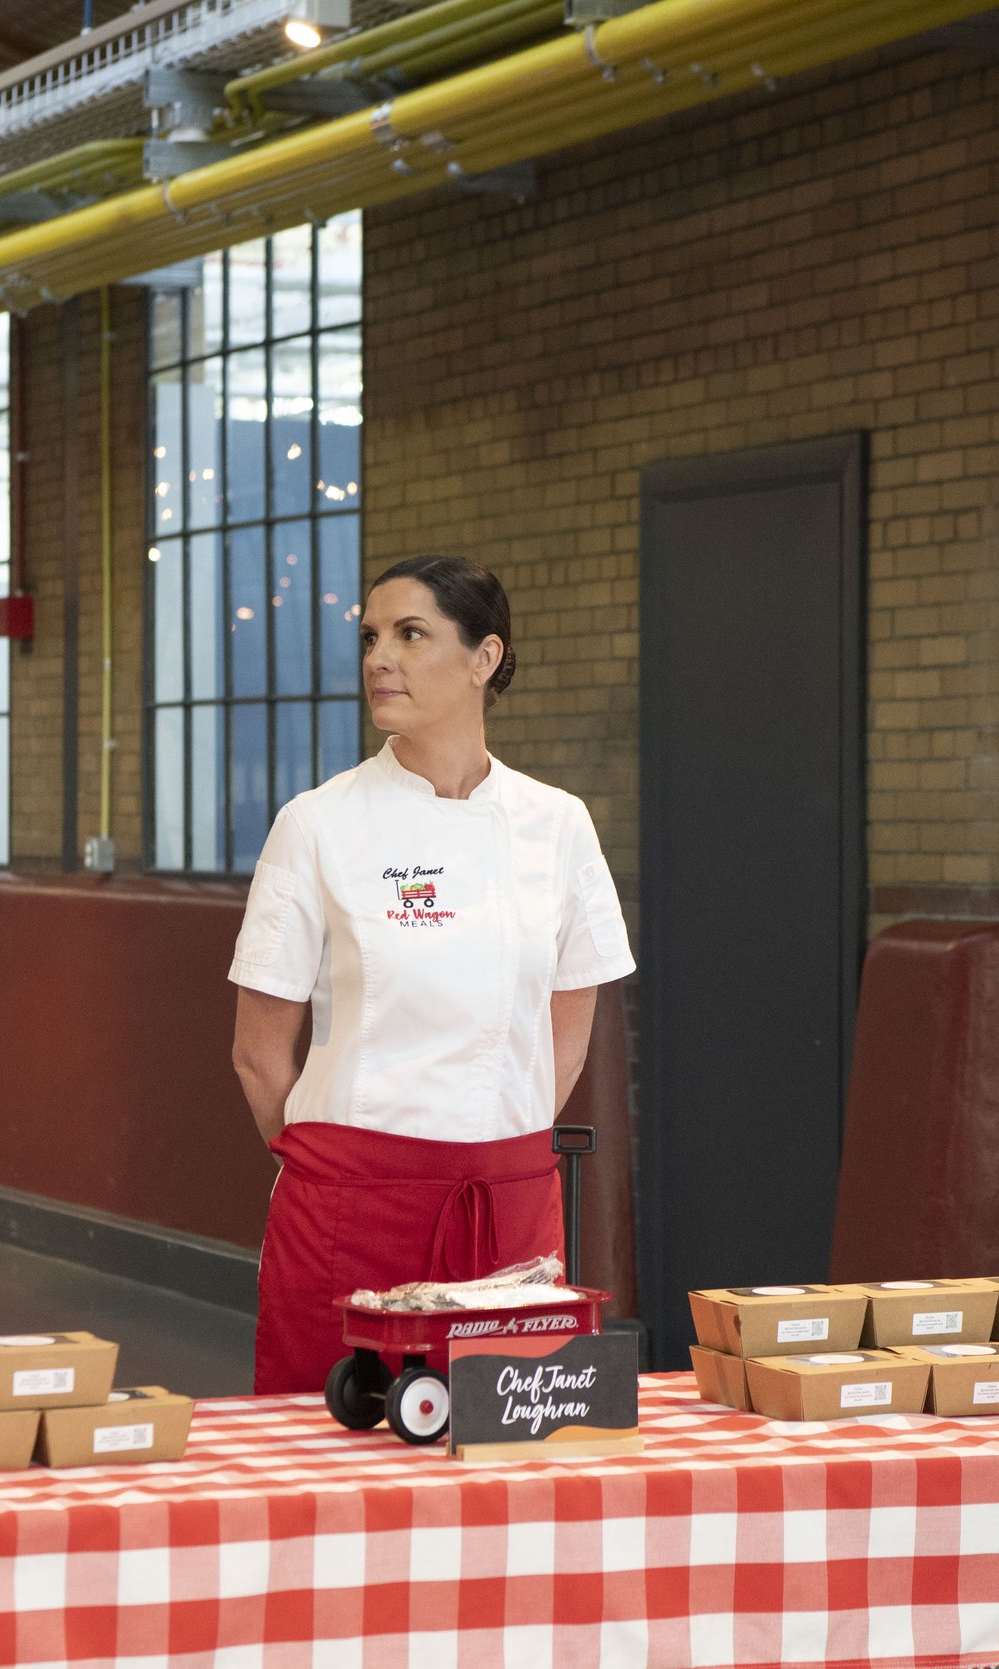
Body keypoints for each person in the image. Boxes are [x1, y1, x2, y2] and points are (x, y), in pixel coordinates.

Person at [229, 554, 637, 1396]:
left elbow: (565, 1039)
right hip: (349, 1212)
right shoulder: (316, 825)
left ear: (485, 657)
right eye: (371, 637)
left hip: (511, 1211)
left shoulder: (559, 826)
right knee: (333, 1447)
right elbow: (259, 1056)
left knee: (507, 1455)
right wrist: (344, 1171)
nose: (380, 657)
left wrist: (495, 1139)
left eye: (411, 634)